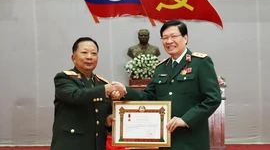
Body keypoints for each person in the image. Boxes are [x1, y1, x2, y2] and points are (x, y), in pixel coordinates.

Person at [118, 20, 222, 150]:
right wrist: (124, 91)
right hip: (165, 141)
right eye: (165, 38)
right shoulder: (160, 68)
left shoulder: (200, 63)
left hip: (191, 140)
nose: (169, 41)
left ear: (185, 38)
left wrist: (186, 120)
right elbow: (148, 96)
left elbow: (213, 98)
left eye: (174, 36)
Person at [50, 37, 126, 150]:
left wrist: (108, 121)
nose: (89, 57)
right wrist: (106, 89)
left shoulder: (101, 83)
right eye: (84, 53)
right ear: (73, 58)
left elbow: (101, 116)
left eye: (94, 53)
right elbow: (76, 96)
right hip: (71, 146)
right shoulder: (64, 78)